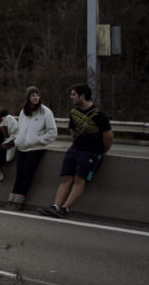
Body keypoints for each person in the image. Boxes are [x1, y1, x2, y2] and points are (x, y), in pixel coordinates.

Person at [40, 84, 112, 219]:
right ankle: (55, 206)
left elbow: (108, 136)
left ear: (82, 96)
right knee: (66, 177)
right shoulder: (74, 112)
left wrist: (101, 151)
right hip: (75, 149)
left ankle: (65, 209)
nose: (71, 97)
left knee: (80, 179)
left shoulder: (99, 115)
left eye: (73, 94)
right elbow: (72, 130)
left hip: (91, 151)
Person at [7, 86, 58, 210]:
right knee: (19, 174)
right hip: (22, 148)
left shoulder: (45, 112)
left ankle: (19, 201)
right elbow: (19, 128)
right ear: (28, 98)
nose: (35, 97)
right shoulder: (24, 111)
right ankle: (11, 200)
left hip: (36, 149)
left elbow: (53, 132)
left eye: (37, 95)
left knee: (27, 174)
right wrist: (18, 139)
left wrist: (38, 140)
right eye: (32, 95)